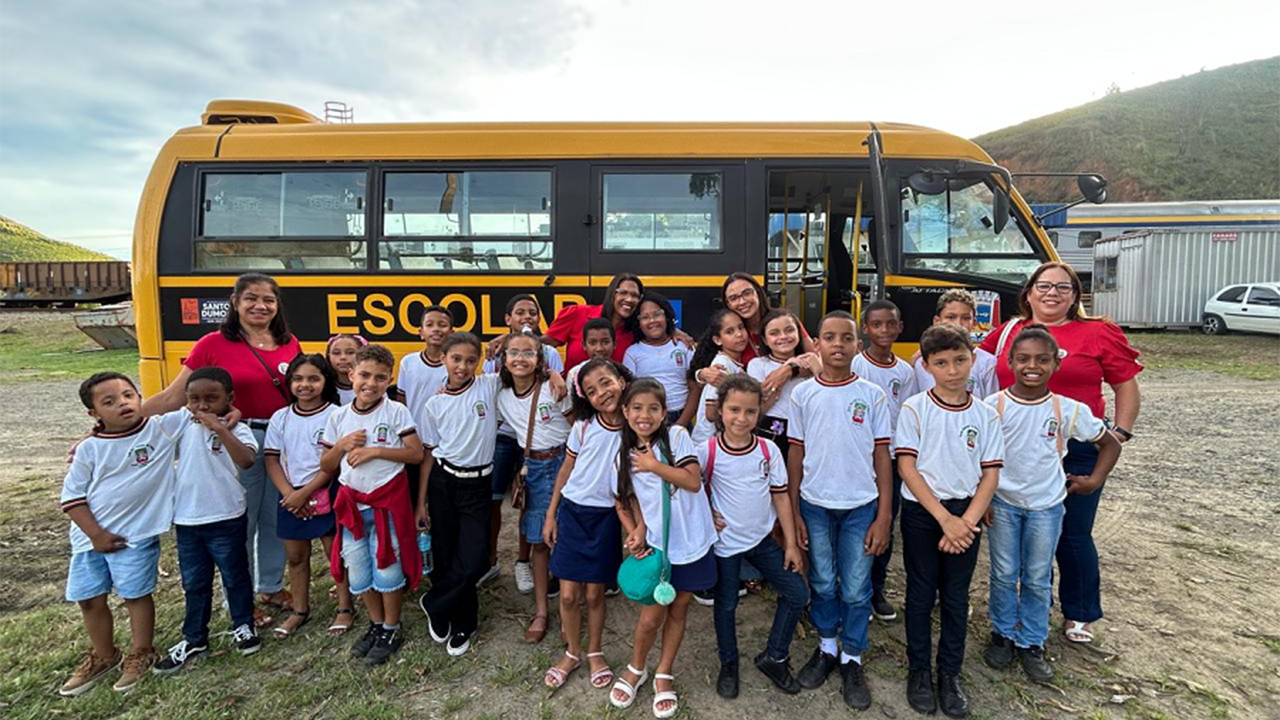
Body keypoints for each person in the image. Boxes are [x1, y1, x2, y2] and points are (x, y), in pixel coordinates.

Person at [979, 262, 1141, 645]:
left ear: (1075, 295)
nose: (1052, 293)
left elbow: (1126, 386)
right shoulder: (1007, 333)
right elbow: (970, 365)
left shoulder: (1098, 332)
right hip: (1018, 446)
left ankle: (1078, 613)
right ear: (1029, 291)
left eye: (1063, 287)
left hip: (1079, 444)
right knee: (1017, 540)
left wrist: (1119, 432)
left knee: (1073, 532)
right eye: (1044, 285)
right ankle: (1019, 617)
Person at [141, 272, 301, 628]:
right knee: (240, 520)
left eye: (269, 300)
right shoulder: (212, 343)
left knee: (276, 519)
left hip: (280, 440)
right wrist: (120, 425)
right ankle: (238, 599)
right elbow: (173, 396)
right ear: (235, 303)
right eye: (251, 299)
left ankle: (271, 586)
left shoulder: (289, 343)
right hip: (236, 441)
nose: (260, 306)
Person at [981, 325, 1122, 682]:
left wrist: (1094, 480)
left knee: (1037, 577)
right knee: (1003, 572)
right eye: (1024, 359)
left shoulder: (1067, 409)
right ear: (1010, 362)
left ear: (1055, 365)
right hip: (1004, 505)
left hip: (1046, 507)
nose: (1033, 366)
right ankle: (1002, 634)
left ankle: (1032, 640)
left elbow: (1110, 443)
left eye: (1043, 360)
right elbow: (976, 458)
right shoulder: (992, 407)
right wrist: (981, 500)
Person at [895, 324, 1004, 718]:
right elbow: (907, 466)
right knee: (921, 594)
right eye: (941, 363)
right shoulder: (915, 409)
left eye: (960, 360)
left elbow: (990, 473)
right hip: (924, 514)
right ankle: (920, 671)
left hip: (967, 514)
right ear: (927, 366)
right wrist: (944, 519)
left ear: (973, 360)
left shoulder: (986, 414)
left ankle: (950, 673)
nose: (953, 370)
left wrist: (966, 521)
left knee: (957, 598)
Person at [787, 311, 893, 711]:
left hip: (861, 506)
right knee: (825, 580)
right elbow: (795, 453)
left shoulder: (872, 394)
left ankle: (853, 656)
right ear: (816, 344)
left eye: (845, 338)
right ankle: (827, 646)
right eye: (828, 337)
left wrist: (884, 515)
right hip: (814, 505)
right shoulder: (803, 394)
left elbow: (883, 454)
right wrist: (795, 510)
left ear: (857, 345)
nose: (836, 344)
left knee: (855, 585)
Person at [60, 373, 180, 695]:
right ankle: (104, 655)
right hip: (90, 539)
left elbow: (198, 401)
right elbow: (72, 499)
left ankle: (142, 651)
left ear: (140, 397)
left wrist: (232, 413)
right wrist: (96, 534)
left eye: (128, 395)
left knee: (135, 595)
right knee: (88, 598)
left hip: (136, 536)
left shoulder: (161, 429)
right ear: (94, 413)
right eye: (109, 401)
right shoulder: (89, 449)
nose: (123, 404)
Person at [702, 374, 808, 699]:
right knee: (727, 604)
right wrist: (707, 513)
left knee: (797, 594)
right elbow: (692, 491)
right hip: (725, 547)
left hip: (762, 541)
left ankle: (774, 656)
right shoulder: (707, 451)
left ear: (759, 412)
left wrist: (790, 543)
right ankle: (728, 663)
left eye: (750, 411)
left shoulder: (767, 450)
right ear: (720, 411)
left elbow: (780, 497)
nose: (741, 418)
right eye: (734, 410)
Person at [610, 379, 712, 719]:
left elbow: (693, 482)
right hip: (660, 548)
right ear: (625, 411)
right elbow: (623, 500)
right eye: (636, 408)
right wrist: (636, 528)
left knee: (680, 608)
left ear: (664, 411)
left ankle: (664, 672)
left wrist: (654, 465)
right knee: (651, 616)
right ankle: (636, 668)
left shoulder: (678, 437)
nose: (645, 415)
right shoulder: (623, 456)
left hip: (693, 542)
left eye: (653, 408)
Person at [153, 367, 263, 675]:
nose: (202, 406)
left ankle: (243, 625)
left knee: (235, 576)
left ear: (229, 399)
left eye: (211, 399)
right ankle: (194, 638)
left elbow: (246, 460)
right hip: (187, 518)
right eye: (194, 399)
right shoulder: (180, 423)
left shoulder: (236, 428)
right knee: (195, 582)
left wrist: (221, 429)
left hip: (227, 515)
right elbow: (146, 427)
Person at [321, 344, 423, 666]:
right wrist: (341, 446)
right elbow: (326, 465)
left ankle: (392, 627)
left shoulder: (395, 412)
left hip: (387, 505)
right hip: (353, 507)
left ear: (389, 380)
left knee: (387, 567)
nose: (371, 383)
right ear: (351, 374)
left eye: (380, 378)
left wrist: (376, 451)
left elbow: (416, 453)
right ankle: (376, 624)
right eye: (364, 375)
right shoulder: (338, 416)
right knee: (359, 568)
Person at [543, 358, 633, 692]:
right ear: (587, 399)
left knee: (595, 594)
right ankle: (572, 652)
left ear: (622, 380)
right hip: (573, 513)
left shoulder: (635, 427)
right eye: (592, 391)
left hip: (606, 518)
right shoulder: (583, 426)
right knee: (568, 595)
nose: (602, 393)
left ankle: (595, 651)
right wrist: (552, 514)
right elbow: (566, 471)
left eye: (606, 382)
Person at [415, 333, 503, 658]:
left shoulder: (488, 386)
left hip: (478, 485)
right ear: (443, 359)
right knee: (445, 551)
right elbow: (428, 453)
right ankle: (462, 619)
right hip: (443, 480)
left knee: (474, 558)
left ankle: (434, 601)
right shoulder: (434, 403)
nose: (463, 366)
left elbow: (526, 361)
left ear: (479, 362)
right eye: (456, 359)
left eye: (470, 360)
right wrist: (421, 502)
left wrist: (503, 339)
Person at [265, 354, 354, 638]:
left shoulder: (335, 415)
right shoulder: (280, 417)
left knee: (334, 553)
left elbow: (334, 463)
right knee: (296, 557)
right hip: (290, 500)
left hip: (325, 493)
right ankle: (300, 611)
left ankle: (344, 607)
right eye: (298, 379)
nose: (305, 385)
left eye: (314, 378)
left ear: (326, 381)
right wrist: (290, 494)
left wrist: (306, 492)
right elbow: (272, 459)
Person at [495, 332, 574, 643]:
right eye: (513, 352)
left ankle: (570, 611)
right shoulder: (500, 395)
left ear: (540, 361)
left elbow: (578, 429)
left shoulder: (554, 390)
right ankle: (541, 611)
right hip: (533, 468)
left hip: (564, 465)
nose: (520, 358)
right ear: (504, 360)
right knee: (539, 541)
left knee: (565, 538)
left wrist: (555, 375)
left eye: (528, 353)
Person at [483, 295, 564, 589]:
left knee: (531, 501)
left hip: (538, 438)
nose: (527, 316)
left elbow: (553, 386)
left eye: (533, 312)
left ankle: (525, 560)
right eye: (520, 312)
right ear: (508, 319)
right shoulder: (495, 354)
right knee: (500, 499)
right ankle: (491, 562)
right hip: (506, 435)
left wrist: (554, 373)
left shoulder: (548, 353)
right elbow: (485, 387)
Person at [850, 299, 917, 623]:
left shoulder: (905, 372)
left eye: (891, 324)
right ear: (865, 329)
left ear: (900, 328)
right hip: (857, 456)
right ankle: (853, 586)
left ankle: (876, 587)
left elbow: (906, 417)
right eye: (877, 325)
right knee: (857, 521)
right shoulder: (855, 364)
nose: (885, 330)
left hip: (889, 458)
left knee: (884, 520)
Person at [746, 307, 819, 460]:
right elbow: (760, 403)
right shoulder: (758, 364)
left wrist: (816, 364)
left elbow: (826, 392)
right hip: (771, 428)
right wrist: (789, 367)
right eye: (774, 333)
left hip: (807, 427)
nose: (783, 337)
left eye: (789, 330)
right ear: (765, 339)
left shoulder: (810, 361)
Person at [623, 292, 694, 426]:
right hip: (648, 420)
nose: (652, 321)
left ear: (666, 316)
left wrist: (680, 425)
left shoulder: (683, 345)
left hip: (682, 417)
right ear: (638, 323)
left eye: (657, 314)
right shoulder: (632, 353)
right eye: (644, 317)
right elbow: (630, 393)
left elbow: (695, 388)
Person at [912, 289, 998, 400]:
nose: (958, 324)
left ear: (974, 323)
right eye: (951, 317)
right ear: (937, 321)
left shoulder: (987, 363)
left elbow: (991, 404)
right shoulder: (921, 363)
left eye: (966, 318)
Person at [545, 273, 644, 367]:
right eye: (623, 293)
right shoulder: (577, 313)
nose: (629, 299)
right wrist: (552, 373)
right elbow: (540, 347)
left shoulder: (636, 332)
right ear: (612, 294)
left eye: (635, 295)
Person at [720, 272, 815, 366]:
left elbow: (816, 358)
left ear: (758, 292)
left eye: (747, 293)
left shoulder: (785, 320)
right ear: (728, 304)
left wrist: (791, 370)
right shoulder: (731, 333)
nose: (742, 302)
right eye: (733, 298)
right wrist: (705, 373)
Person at [688, 309, 750, 446]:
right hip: (708, 444)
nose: (739, 334)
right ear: (717, 340)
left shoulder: (735, 365)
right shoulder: (721, 366)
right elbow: (711, 413)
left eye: (741, 327)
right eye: (730, 331)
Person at [566, 317, 616, 392]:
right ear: (584, 345)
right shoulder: (574, 374)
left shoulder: (620, 372)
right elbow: (570, 403)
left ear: (614, 344)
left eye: (605, 342)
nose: (599, 349)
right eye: (593, 343)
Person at [328, 334, 367, 405]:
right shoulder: (323, 388)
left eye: (350, 352)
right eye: (336, 353)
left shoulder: (370, 387)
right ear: (329, 356)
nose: (343, 357)